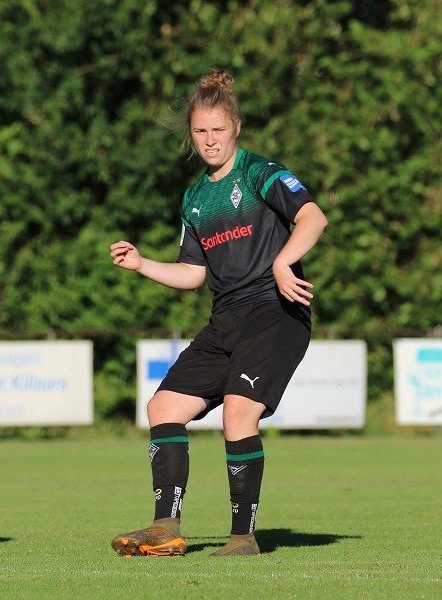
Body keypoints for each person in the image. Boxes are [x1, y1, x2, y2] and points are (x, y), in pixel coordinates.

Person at [109, 69, 327, 557]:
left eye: (218, 130)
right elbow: (193, 273)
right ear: (191, 133)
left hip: (276, 311)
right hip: (226, 319)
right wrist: (142, 263)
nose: (209, 140)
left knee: (237, 414)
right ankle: (166, 528)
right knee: (162, 408)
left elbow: (314, 216)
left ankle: (243, 536)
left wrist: (283, 260)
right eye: (200, 131)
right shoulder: (194, 198)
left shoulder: (260, 173)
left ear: (236, 128)